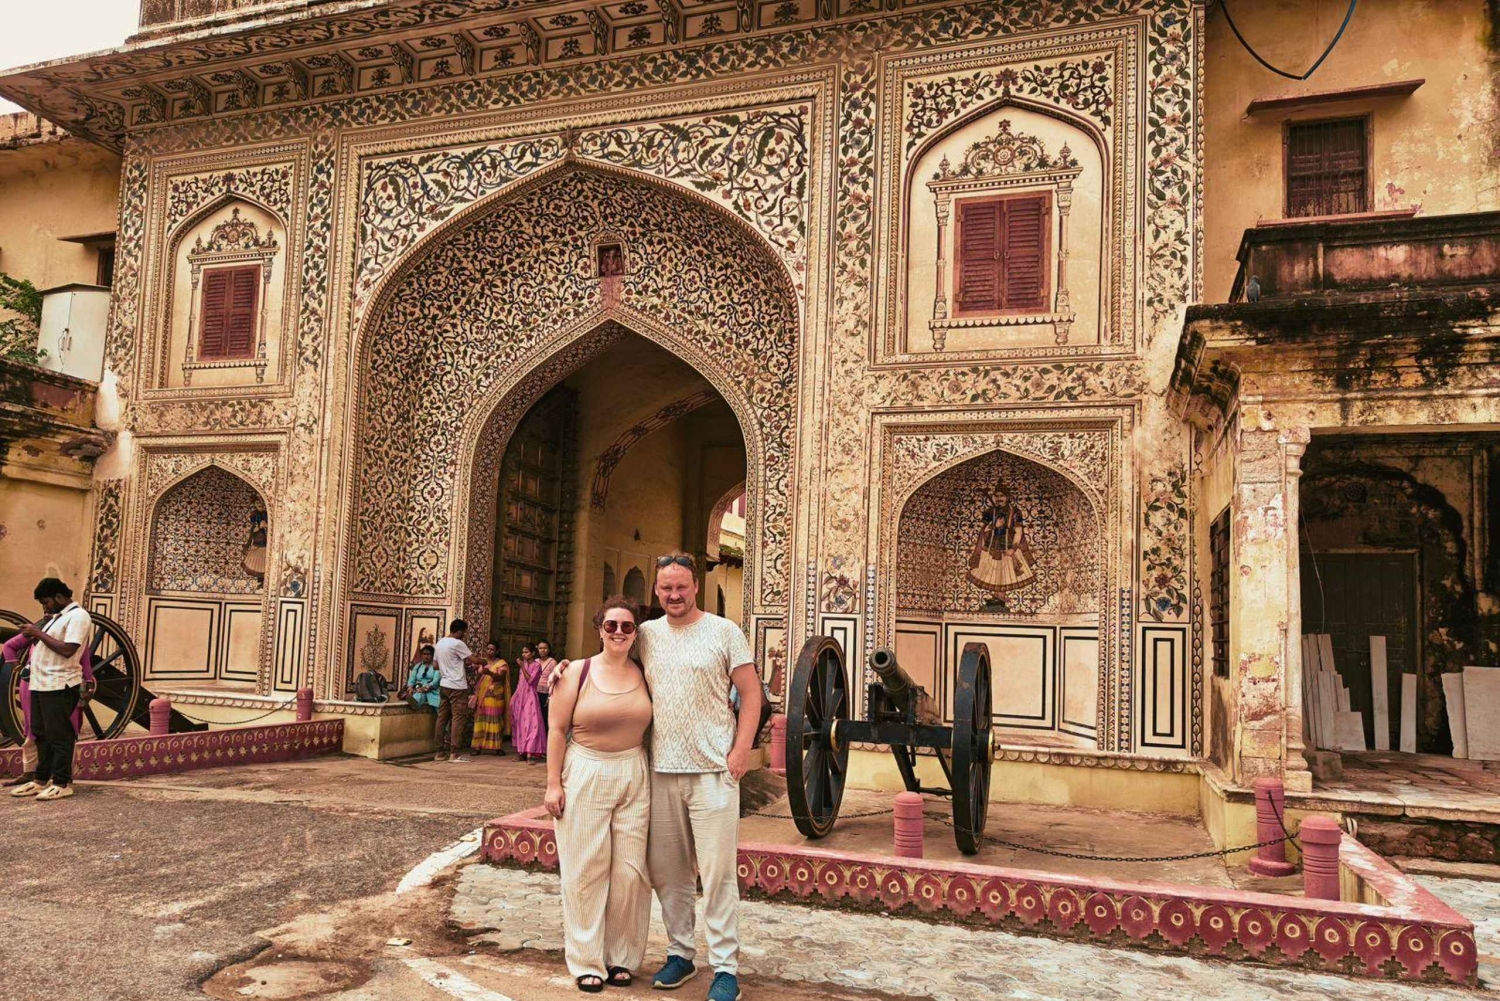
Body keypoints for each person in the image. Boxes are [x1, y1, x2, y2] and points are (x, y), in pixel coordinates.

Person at [551, 552, 760, 1001]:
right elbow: (610, 654)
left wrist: (741, 750)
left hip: (712, 772)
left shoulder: (725, 632)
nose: (674, 595)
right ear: (656, 591)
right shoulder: (645, 634)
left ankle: (725, 968)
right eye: (666, 588)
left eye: (681, 587)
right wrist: (563, 667)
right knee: (668, 874)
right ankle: (681, 953)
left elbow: (750, 693)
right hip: (659, 772)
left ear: (696, 586)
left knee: (718, 873)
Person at [545, 597, 653, 994]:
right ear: (599, 629)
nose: (619, 632)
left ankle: (621, 956)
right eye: (611, 626)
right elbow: (557, 730)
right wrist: (553, 783)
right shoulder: (576, 671)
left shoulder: (645, 672)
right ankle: (587, 960)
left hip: (633, 772)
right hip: (586, 768)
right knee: (586, 869)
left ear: (636, 632)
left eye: (627, 626)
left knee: (629, 870)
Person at [11, 579, 95, 801]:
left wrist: (37, 633)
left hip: (60, 684)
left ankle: (62, 782)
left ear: (59, 597)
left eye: (46, 602)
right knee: (41, 734)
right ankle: (40, 780)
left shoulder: (78, 616)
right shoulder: (56, 618)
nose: (44, 607)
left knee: (59, 735)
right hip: (41, 683)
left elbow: (69, 650)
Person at [433, 619, 474, 763]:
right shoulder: (458, 643)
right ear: (460, 631)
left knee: (442, 718)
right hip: (457, 686)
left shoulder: (439, 643)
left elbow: (435, 666)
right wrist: (483, 662)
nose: (464, 635)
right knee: (458, 718)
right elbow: (473, 659)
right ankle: (454, 753)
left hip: (444, 684)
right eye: (464, 632)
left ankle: (439, 753)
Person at [471, 641, 511, 756]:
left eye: (492, 649)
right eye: (488, 649)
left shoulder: (501, 663)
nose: (489, 651)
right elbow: (479, 678)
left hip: (495, 697)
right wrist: (479, 670)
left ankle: (496, 747)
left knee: (495, 721)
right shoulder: (482, 662)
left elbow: (501, 677)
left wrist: (489, 673)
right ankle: (477, 747)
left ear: (497, 651)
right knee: (480, 721)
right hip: (482, 696)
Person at [511, 643, 547, 762]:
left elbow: (530, 681)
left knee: (532, 724)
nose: (524, 654)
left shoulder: (537, 666)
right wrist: (514, 697)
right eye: (523, 652)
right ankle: (521, 752)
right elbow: (520, 682)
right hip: (520, 696)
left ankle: (531, 753)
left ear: (532, 653)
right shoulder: (524, 664)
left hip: (530, 697)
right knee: (520, 724)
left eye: (526, 652)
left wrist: (522, 667)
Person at [400, 645, 440, 712]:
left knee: (437, 705)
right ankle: (414, 702)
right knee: (418, 694)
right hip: (417, 688)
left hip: (431, 690)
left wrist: (425, 688)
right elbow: (412, 679)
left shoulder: (435, 666)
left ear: (432, 655)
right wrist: (410, 686)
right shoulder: (418, 666)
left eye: (428, 654)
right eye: (424, 654)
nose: (426, 656)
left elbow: (436, 680)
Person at [535, 638, 557, 734]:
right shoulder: (535, 661)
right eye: (540, 648)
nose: (542, 650)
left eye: (545, 648)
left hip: (545, 693)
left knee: (544, 717)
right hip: (534, 691)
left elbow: (554, 681)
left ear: (548, 649)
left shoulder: (552, 662)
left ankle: (545, 741)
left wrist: (549, 696)